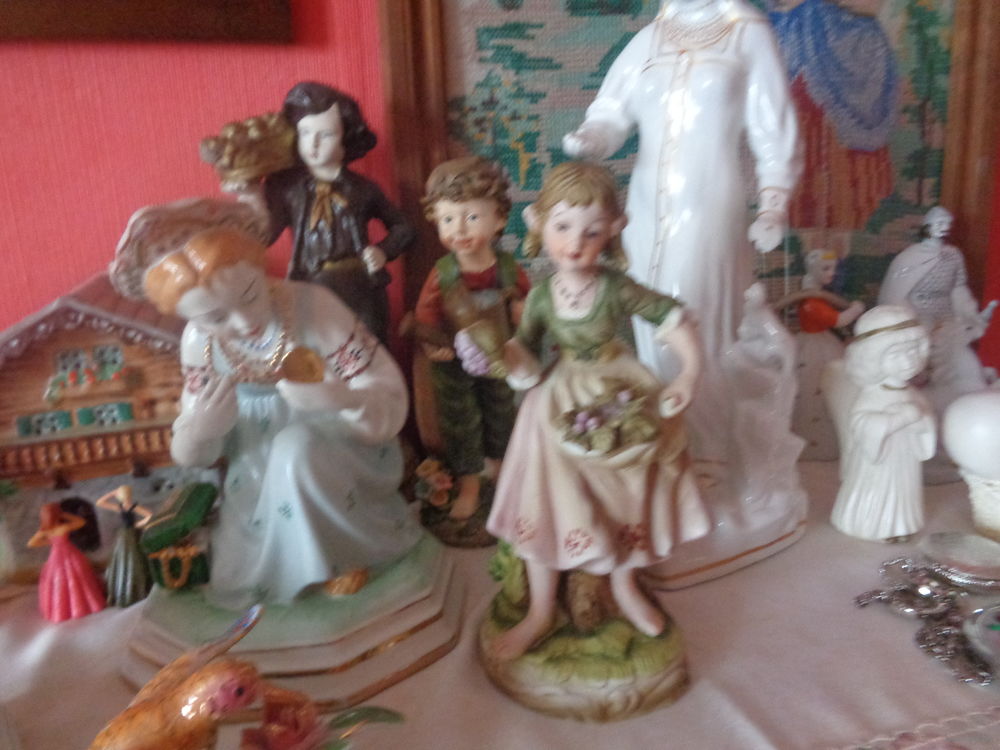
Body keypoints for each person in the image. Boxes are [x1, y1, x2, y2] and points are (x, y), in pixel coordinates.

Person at [464, 163, 709, 660]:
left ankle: (624, 585)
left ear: (614, 230)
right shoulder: (541, 297)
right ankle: (540, 610)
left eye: (591, 232)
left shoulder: (615, 288)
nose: (575, 244)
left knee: (632, 484)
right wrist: (501, 356)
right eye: (562, 227)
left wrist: (688, 373)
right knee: (543, 488)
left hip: (620, 389)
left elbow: (670, 316)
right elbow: (526, 350)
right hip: (562, 393)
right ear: (538, 224)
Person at [564, 0, 801, 458]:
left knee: (693, 314)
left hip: (709, 205)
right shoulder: (650, 39)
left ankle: (707, 453)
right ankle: (663, 445)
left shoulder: (748, 33)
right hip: (645, 208)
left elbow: (773, 128)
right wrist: (591, 138)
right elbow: (610, 112)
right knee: (645, 310)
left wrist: (773, 204)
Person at [140, 226, 423, 609]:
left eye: (250, 295)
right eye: (216, 317)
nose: (244, 323)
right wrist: (202, 430)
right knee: (235, 566)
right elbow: (191, 451)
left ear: (260, 271)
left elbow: (386, 394)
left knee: (296, 449)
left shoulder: (313, 307)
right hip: (253, 468)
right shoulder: (199, 343)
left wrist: (339, 397)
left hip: (339, 445)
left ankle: (340, 557)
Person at [254, 82, 416, 344]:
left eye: (326, 134)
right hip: (309, 284)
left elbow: (403, 227)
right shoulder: (287, 188)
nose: (314, 144)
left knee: (370, 346)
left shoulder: (362, 188)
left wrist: (383, 251)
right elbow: (265, 235)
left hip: (360, 285)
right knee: (315, 348)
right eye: (306, 132)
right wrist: (251, 195)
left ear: (345, 138)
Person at [414, 156, 530, 520]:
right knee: (460, 421)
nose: (459, 229)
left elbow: (528, 302)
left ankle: (504, 474)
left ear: (499, 219)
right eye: (448, 219)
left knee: (501, 412)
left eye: (472, 217)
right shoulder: (443, 273)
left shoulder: (508, 268)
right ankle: (470, 483)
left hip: (500, 357)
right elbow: (426, 314)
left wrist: (522, 312)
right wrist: (433, 344)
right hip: (454, 361)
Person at [825, 305, 935, 541]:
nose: (908, 361)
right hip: (879, 463)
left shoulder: (912, 393)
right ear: (873, 359)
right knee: (879, 488)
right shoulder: (872, 394)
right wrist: (900, 418)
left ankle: (901, 525)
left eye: (913, 350)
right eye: (895, 355)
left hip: (905, 459)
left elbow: (926, 428)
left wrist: (920, 422)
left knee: (903, 490)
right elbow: (861, 423)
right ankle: (874, 525)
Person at [777, 249, 863, 459]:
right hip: (815, 346)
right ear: (812, 270)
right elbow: (839, 320)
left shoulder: (817, 296)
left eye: (833, 268)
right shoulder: (811, 302)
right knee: (816, 387)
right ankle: (814, 444)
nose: (831, 273)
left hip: (822, 342)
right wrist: (856, 309)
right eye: (825, 268)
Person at [27, 503, 106, 622]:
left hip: (55, 554)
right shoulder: (63, 527)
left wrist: (51, 543)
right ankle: (81, 604)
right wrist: (64, 515)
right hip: (68, 552)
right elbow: (81, 522)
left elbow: (31, 543)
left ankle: (63, 609)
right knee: (75, 575)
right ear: (57, 514)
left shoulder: (44, 531)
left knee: (59, 577)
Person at [95, 485, 153, 607]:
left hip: (131, 534)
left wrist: (137, 525)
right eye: (122, 495)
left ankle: (139, 588)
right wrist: (112, 493)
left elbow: (149, 515)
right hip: (124, 534)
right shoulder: (120, 507)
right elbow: (100, 503)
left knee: (135, 558)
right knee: (123, 558)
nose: (123, 497)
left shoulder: (133, 506)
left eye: (123, 495)